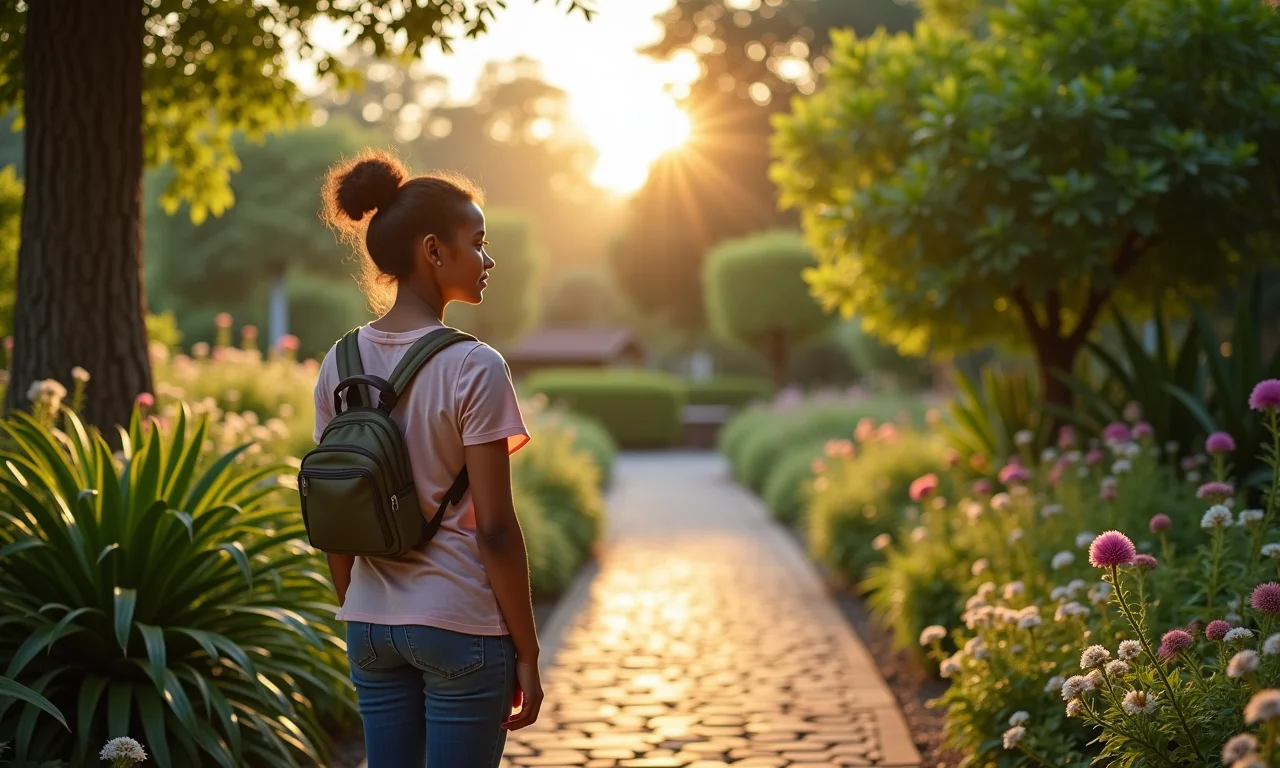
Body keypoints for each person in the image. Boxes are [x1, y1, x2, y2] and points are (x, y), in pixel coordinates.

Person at [313, 149, 542, 766]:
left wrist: (356, 603)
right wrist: (527, 649)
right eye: (478, 242)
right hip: (459, 623)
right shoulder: (475, 365)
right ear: (434, 251)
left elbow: (336, 506)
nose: (489, 259)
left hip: (369, 625)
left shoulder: (340, 363)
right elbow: (494, 528)